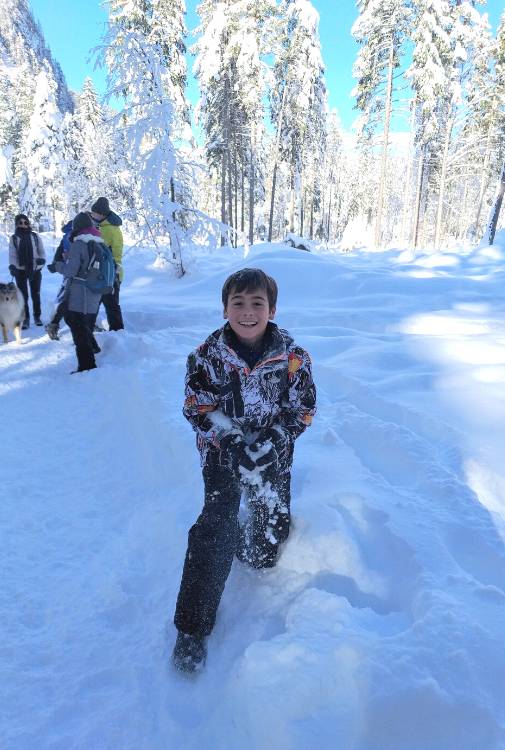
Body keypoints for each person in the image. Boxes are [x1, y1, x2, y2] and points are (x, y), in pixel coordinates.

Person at [172, 268, 317, 672]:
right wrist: (232, 442)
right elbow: (196, 407)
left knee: (267, 538)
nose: (248, 312)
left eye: (258, 303)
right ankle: (191, 628)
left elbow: (302, 410)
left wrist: (275, 440)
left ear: (272, 310)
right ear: (224, 309)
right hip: (222, 456)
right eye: (239, 303)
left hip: (274, 456)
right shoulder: (206, 357)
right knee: (216, 526)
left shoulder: (293, 359)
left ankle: (253, 550)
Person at [55, 212, 104, 373]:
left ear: (76, 228)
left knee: (77, 327)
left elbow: (70, 271)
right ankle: (94, 348)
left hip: (79, 294)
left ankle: (87, 365)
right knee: (82, 324)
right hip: (94, 293)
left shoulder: (79, 244)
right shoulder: (99, 243)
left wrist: (57, 265)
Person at [90, 197, 124, 331]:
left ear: (102, 214)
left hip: (110, 274)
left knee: (111, 303)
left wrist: (114, 270)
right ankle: (91, 326)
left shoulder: (111, 229)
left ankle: (117, 331)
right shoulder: (100, 226)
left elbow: (116, 252)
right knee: (95, 301)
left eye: (94, 213)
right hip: (100, 273)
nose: (92, 215)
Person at [8, 213, 46, 328]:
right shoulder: (14, 238)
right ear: (16, 224)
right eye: (20, 222)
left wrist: (42, 260)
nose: (23, 224)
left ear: (28, 223)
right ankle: (26, 318)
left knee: (36, 294)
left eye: (25, 222)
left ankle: (37, 316)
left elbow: (42, 251)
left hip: (35, 269)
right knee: (23, 296)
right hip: (20, 270)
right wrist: (13, 266)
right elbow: (12, 254)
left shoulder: (35, 236)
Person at [45, 219, 73, 340]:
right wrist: (57, 264)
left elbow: (59, 251)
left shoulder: (68, 235)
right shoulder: (76, 235)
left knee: (68, 298)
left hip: (69, 272)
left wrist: (56, 264)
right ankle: (54, 324)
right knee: (68, 299)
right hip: (74, 273)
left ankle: (54, 324)